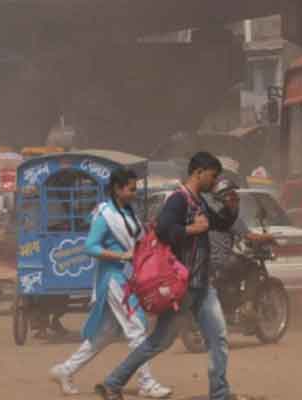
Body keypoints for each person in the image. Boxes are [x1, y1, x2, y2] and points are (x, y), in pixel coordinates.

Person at [95, 152, 239, 400]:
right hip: (182, 288)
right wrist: (192, 229)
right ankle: (112, 382)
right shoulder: (178, 200)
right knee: (158, 342)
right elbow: (163, 229)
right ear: (199, 172)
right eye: (213, 176)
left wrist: (231, 207)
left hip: (202, 286)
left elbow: (220, 223)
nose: (214, 182)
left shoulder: (200, 201)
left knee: (218, 339)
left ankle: (220, 393)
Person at [49, 168, 172, 398]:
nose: (135, 193)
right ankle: (147, 383)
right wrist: (121, 256)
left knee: (103, 335)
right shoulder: (105, 215)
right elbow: (90, 247)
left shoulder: (127, 211)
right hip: (114, 279)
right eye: (131, 189)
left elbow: (137, 239)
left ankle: (65, 370)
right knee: (137, 329)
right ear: (117, 189)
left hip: (126, 277)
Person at [209, 179, 273, 320]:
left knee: (236, 269)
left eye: (236, 198)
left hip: (210, 263)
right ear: (226, 201)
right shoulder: (230, 218)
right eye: (233, 198)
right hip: (224, 261)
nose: (236, 201)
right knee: (253, 268)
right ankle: (247, 306)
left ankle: (231, 308)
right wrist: (268, 236)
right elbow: (249, 236)